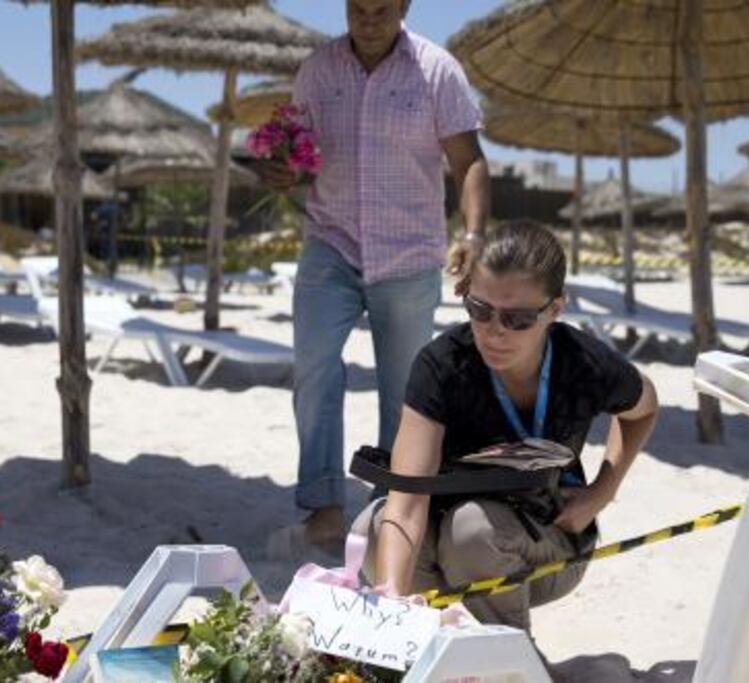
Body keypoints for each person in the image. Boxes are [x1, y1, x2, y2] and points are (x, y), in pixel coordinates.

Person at [264, 0, 491, 556]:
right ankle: (324, 508)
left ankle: (388, 510)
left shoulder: (437, 70)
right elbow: (299, 157)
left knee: (404, 392)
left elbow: (470, 160)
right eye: (358, 7)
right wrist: (281, 170)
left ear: (406, 5)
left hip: (409, 255)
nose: (368, 18)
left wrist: (475, 235)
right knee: (313, 371)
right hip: (331, 243)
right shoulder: (317, 70)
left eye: (381, 8)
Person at [351, 223, 659, 631]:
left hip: (542, 540)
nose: (494, 331)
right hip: (440, 536)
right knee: (371, 528)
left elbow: (644, 408)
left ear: (554, 309)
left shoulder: (582, 363)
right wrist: (389, 603)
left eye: (518, 319)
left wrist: (603, 491)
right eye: (479, 310)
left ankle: (507, 663)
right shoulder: (441, 365)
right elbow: (406, 504)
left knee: (471, 530)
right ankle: (422, 642)